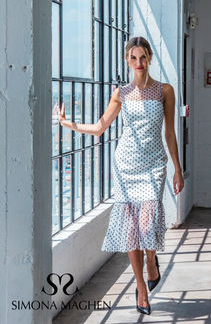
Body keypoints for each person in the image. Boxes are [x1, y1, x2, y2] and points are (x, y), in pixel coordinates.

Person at [57, 36, 184, 315]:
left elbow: (170, 133)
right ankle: (140, 288)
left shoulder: (165, 91)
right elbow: (101, 127)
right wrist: (69, 124)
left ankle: (151, 260)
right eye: (133, 58)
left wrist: (177, 168)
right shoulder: (121, 94)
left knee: (148, 226)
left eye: (143, 57)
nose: (138, 63)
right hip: (125, 165)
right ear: (128, 61)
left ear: (149, 58)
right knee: (131, 230)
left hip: (154, 165)